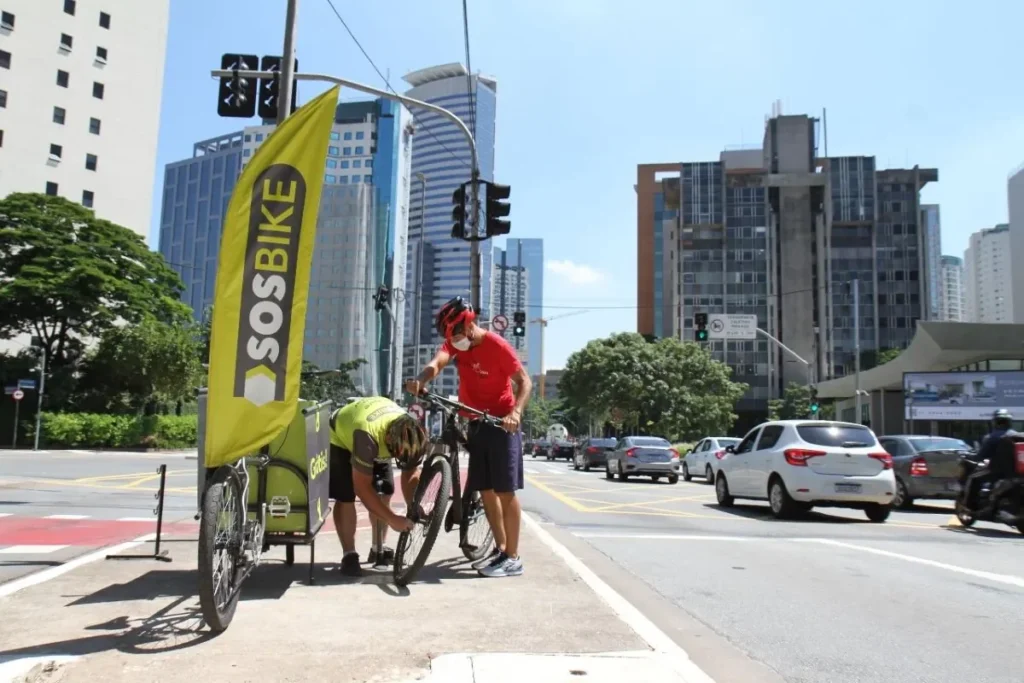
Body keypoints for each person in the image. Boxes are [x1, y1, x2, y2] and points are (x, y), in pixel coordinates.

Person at [406, 296, 532, 578]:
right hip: (474, 421)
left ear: (469, 323)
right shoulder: (455, 343)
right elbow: (438, 362)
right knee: (485, 489)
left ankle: (514, 557)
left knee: (504, 490)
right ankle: (500, 549)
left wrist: (515, 413)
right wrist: (421, 380)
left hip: (502, 424)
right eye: (452, 338)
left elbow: (525, 381)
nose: (455, 342)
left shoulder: (497, 345)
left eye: (458, 334)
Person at [328, 395, 427, 577]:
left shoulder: (412, 434)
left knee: (385, 491)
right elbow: (362, 488)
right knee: (346, 496)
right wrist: (392, 519)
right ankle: (349, 554)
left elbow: (410, 473)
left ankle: (377, 547)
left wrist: (414, 504)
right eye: (397, 454)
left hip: (378, 435)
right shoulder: (367, 436)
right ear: (389, 439)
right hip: (341, 438)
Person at [965, 408, 1018, 514]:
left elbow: (981, 455)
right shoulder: (1017, 435)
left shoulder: (992, 437)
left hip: (998, 472)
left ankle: (971, 508)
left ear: (995, 422)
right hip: (1017, 472)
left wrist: (971, 457)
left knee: (974, 479)